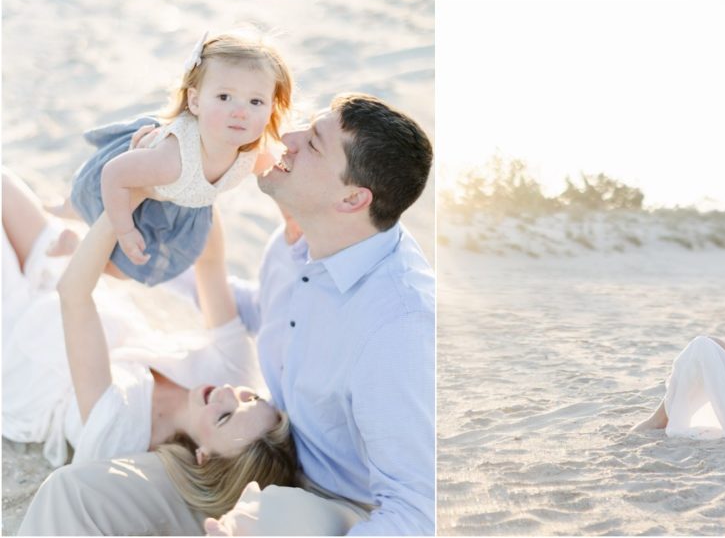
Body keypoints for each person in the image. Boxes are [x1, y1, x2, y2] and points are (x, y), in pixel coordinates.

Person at [19, 93, 436, 536]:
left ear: (353, 199)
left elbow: (413, 510)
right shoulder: (301, 243)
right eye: (308, 126)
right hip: (246, 455)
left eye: (313, 143)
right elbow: (259, 310)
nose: (288, 139)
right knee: (74, 494)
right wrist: (125, 261)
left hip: (330, 501)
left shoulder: (398, 325)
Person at [2, 172, 299, 528]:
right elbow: (209, 261)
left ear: (202, 457)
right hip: (75, 291)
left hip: (20, 348)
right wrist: (200, 176)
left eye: (224, 416)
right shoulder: (234, 372)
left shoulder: (122, 434)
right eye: (250, 398)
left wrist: (121, 205)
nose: (227, 395)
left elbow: (74, 295)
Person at [53, 30, 290, 285]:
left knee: (124, 270)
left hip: (174, 203)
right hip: (130, 184)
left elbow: (280, 180)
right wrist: (125, 230)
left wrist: (294, 219)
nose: (241, 111)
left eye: (256, 101)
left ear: (270, 109)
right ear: (196, 101)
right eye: (224, 97)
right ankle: (60, 214)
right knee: (86, 213)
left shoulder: (253, 153)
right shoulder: (173, 158)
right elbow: (113, 174)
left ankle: (72, 243)